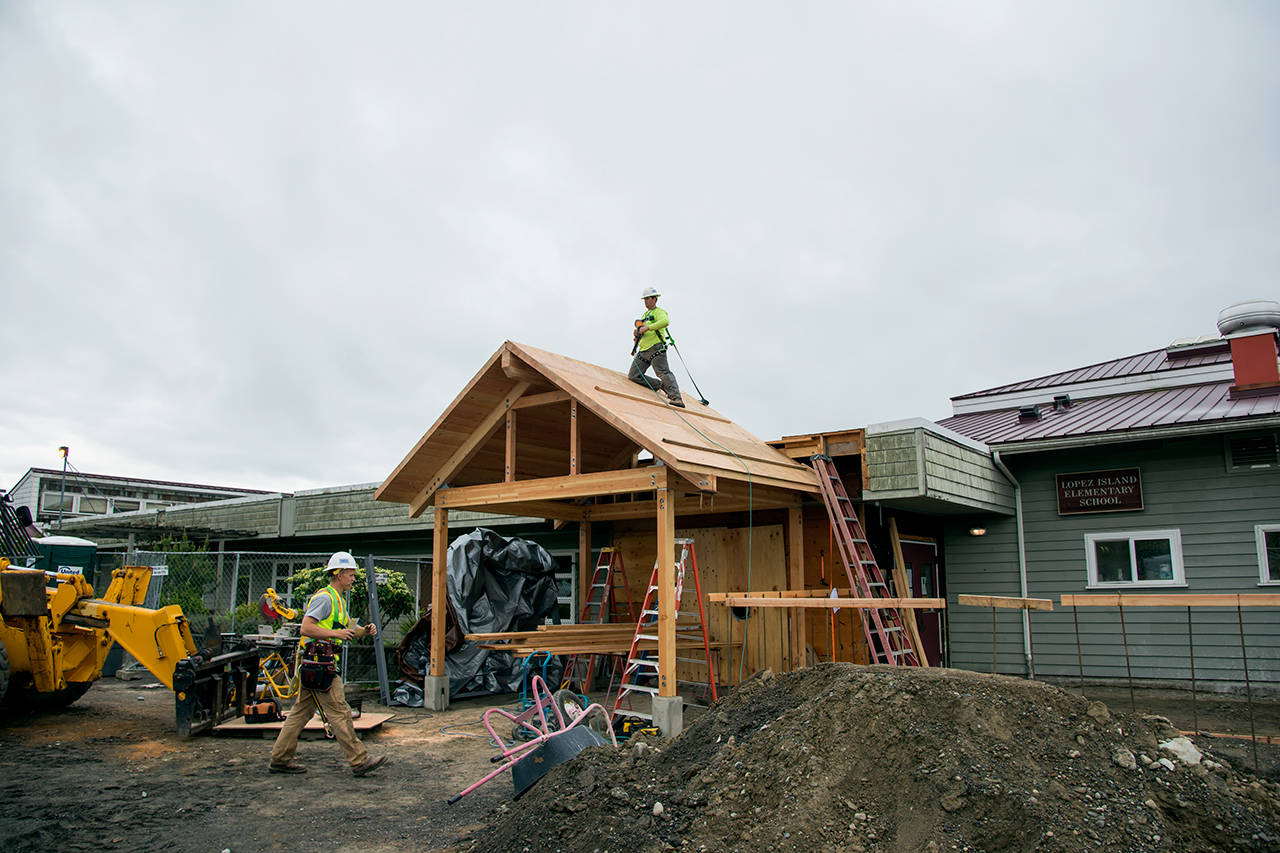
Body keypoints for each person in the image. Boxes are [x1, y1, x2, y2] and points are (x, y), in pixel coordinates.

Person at [268, 551, 388, 777]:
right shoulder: (325, 598)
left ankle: (280, 759)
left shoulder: (338, 600)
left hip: (316, 664)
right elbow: (306, 627)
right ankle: (358, 760)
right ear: (339, 574)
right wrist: (336, 633)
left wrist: (365, 631)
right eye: (351, 575)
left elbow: (348, 628)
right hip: (320, 663)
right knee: (340, 712)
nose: (353, 579)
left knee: (300, 713)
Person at [628, 286, 685, 408]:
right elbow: (643, 329)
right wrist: (637, 332)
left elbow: (665, 322)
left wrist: (647, 327)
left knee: (663, 372)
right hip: (643, 350)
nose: (646, 301)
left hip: (656, 348)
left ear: (654, 299)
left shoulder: (659, 312)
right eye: (644, 299)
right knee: (634, 376)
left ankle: (676, 397)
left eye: (648, 299)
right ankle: (660, 385)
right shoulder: (645, 315)